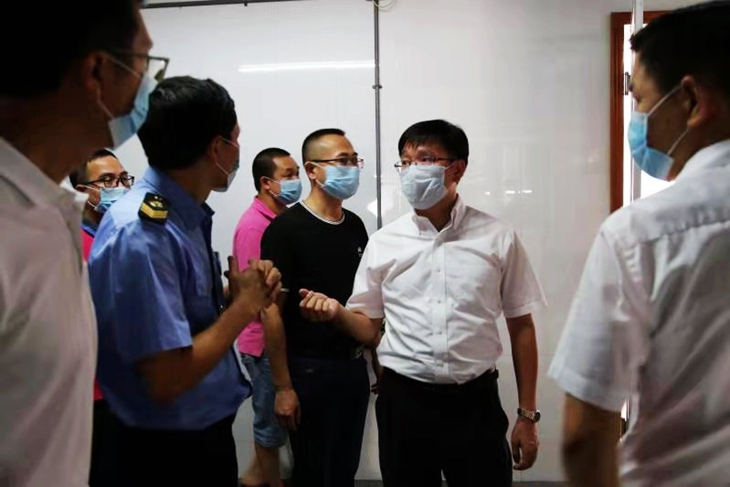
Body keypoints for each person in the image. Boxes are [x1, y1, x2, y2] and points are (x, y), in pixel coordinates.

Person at [299, 119, 546, 487]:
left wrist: (527, 415)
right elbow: (368, 326)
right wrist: (337, 313)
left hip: (475, 403)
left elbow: (521, 326)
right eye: (405, 161)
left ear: (457, 169)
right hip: (404, 402)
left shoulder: (498, 238)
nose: (412, 170)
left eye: (425, 159)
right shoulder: (384, 242)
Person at [548, 3, 730, 486]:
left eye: (642, 101)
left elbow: (585, 433)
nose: (639, 119)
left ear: (690, 100)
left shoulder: (643, 233)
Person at [88, 76, 282, 486]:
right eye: (235, 140)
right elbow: (166, 377)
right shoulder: (144, 232)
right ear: (216, 148)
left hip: (196, 435)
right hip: (162, 453)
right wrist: (243, 308)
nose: (238, 151)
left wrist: (234, 294)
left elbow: (178, 317)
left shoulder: (182, 216)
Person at [0, 2, 158, 485]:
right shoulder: (10, 227)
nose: (149, 87)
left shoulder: (52, 213)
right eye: (145, 64)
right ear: (96, 72)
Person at [260, 128, 371, 487]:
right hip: (309, 371)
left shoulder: (355, 226)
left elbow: (367, 301)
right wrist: (283, 387)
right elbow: (271, 311)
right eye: (341, 161)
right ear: (312, 170)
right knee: (313, 472)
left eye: (353, 160)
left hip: (353, 367)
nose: (351, 168)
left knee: (343, 470)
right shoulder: (285, 230)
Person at [234, 147, 301, 487]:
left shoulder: (282, 220)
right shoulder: (254, 227)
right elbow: (258, 297)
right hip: (261, 343)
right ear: (266, 182)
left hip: (276, 340)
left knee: (277, 429)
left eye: (297, 173)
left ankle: (253, 481)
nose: (296, 181)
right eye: (288, 175)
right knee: (270, 431)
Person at [70, 149, 133, 486]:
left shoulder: (125, 234)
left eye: (123, 179)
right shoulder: (74, 245)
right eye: (107, 181)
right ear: (82, 191)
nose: (119, 187)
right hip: (94, 393)